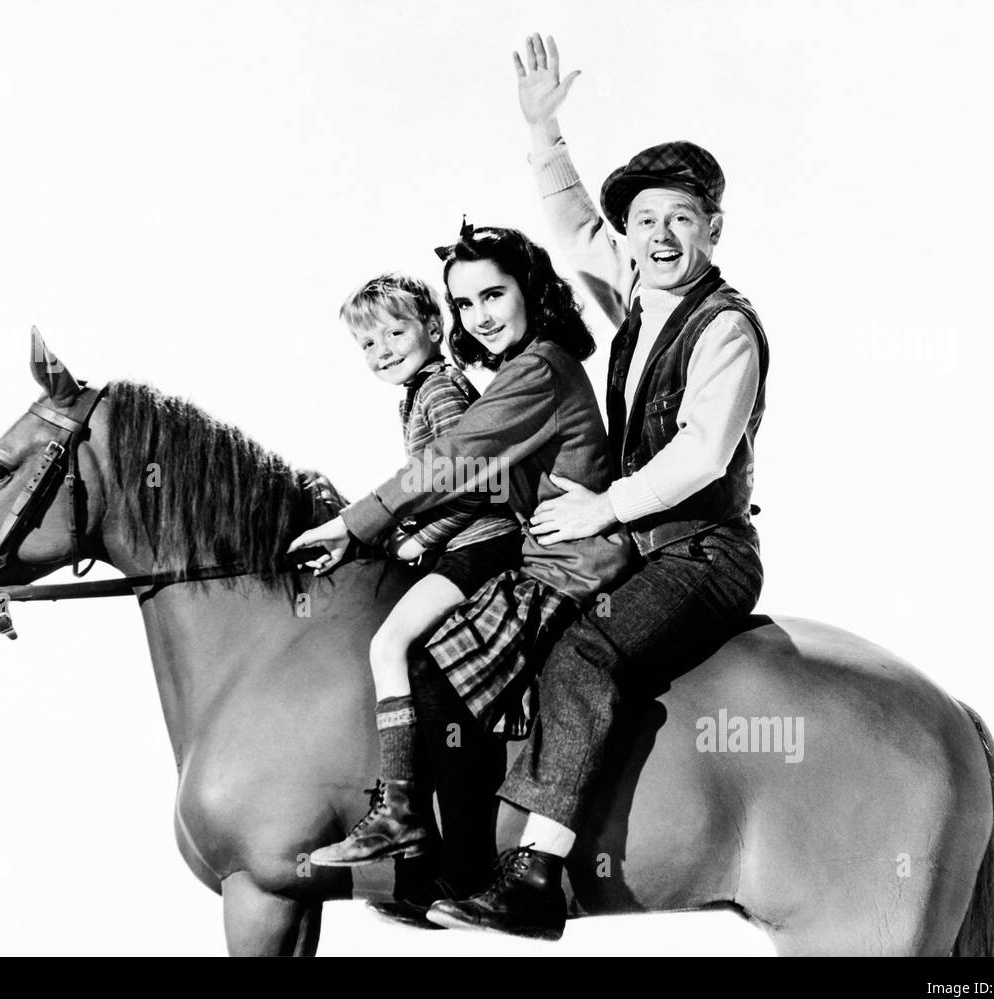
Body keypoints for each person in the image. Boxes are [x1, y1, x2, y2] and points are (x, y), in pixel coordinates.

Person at [424, 34, 769, 939]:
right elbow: (577, 227)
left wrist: (603, 507)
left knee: (586, 655)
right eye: (646, 220)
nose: (659, 236)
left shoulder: (725, 327)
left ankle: (536, 877)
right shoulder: (638, 296)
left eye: (681, 219)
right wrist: (544, 133)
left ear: (713, 229)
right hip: (636, 543)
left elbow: (701, 455)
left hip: (703, 551)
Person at [289, 223, 633, 929]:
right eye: (466, 301)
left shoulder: (534, 368)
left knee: (442, 675)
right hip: (537, 553)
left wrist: (363, 524)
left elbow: (457, 462)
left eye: (493, 294)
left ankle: (447, 855)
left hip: (563, 567)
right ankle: (422, 841)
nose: (479, 315)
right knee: (425, 667)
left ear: (529, 291)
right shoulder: (513, 371)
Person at [307, 273, 522, 868]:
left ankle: (401, 811)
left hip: (484, 546)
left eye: (395, 333)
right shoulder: (421, 391)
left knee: (388, 645)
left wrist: (413, 541)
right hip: (458, 544)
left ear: (434, 328)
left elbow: (473, 481)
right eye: (368, 345)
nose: (383, 352)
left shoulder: (442, 392)